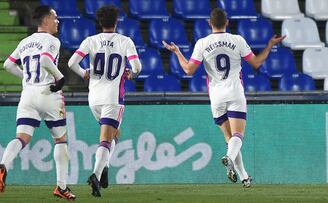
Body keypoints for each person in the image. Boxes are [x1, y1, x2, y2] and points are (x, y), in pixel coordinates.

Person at [163, 8, 285, 188]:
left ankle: (244, 176)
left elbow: (188, 70)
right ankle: (228, 157)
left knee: (230, 139)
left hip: (216, 96)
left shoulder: (202, 43)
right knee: (238, 135)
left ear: (209, 23)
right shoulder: (237, 40)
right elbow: (256, 63)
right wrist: (269, 45)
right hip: (235, 93)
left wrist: (177, 52)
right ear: (227, 22)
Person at [0, 6, 76, 200]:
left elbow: (8, 64)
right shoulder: (52, 40)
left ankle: (4, 164)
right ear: (45, 20)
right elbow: (46, 60)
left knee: (21, 137)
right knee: (61, 140)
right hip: (49, 93)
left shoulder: (25, 42)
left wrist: (26, 78)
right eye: (55, 17)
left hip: (28, 94)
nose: (57, 21)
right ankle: (61, 187)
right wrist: (60, 77)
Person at [68, 5, 142, 197]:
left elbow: (71, 63)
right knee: (106, 140)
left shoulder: (90, 41)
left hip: (94, 98)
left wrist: (84, 73)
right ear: (116, 21)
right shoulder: (125, 42)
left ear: (100, 22)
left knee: (115, 135)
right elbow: (137, 66)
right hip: (112, 98)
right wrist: (131, 74)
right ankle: (96, 174)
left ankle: (105, 167)